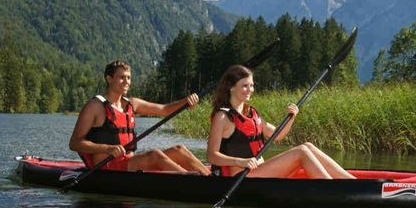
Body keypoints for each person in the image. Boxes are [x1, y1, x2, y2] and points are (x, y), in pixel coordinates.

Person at [206, 64, 355, 179]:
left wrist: (291, 117)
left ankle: (352, 182)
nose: (250, 89)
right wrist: (240, 162)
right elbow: (211, 156)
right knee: (301, 151)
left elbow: (278, 135)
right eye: (245, 86)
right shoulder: (222, 117)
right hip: (242, 177)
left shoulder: (251, 114)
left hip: (260, 172)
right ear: (231, 88)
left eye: (251, 85)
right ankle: (333, 188)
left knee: (307, 146)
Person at [69, 60, 210, 175]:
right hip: (107, 167)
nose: (126, 81)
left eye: (129, 77)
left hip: (128, 162)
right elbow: (75, 143)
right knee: (154, 155)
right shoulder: (95, 106)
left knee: (179, 150)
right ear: (109, 79)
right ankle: (193, 183)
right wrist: (108, 148)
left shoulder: (132, 104)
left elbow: (165, 109)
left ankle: (210, 179)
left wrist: (186, 102)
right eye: (121, 77)